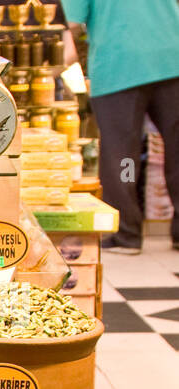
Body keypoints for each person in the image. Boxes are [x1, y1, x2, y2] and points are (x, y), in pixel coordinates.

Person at [62, 0, 179, 253]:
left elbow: (71, 25)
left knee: (123, 156)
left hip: (119, 64)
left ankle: (126, 233)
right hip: (172, 57)